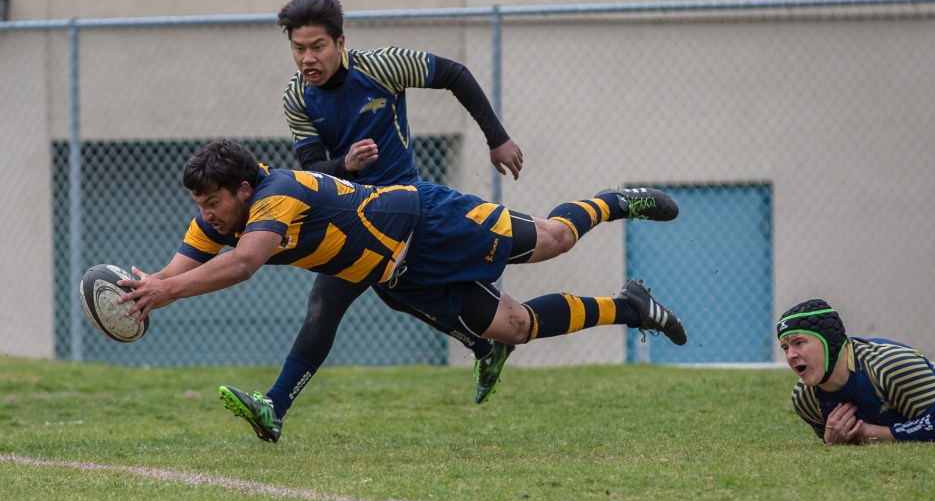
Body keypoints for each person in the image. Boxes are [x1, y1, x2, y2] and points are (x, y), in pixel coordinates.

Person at [118, 140, 687, 443]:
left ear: (243, 190)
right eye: (200, 207)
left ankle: (616, 200)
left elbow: (243, 265)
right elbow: (177, 269)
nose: (206, 216)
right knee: (515, 327)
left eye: (213, 203)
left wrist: (166, 295)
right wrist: (146, 287)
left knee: (554, 240)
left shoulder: (277, 194)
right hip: (399, 273)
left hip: (427, 221)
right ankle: (631, 306)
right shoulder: (217, 217)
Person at [277, 0, 526, 404]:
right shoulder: (297, 97)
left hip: (404, 206)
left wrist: (496, 138)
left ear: (340, 43)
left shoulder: (382, 65)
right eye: (298, 48)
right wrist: (347, 165)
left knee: (340, 296)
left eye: (317, 47)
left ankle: (275, 404)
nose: (308, 59)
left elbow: (455, 74)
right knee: (388, 294)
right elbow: (312, 169)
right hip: (346, 211)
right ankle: (486, 345)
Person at [777, 299, 935, 443]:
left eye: (799, 343)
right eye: (785, 348)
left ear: (829, 341)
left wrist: (872, 434)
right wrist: (830, 441)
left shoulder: (888, 365)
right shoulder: (805, 399)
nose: (790, 355)